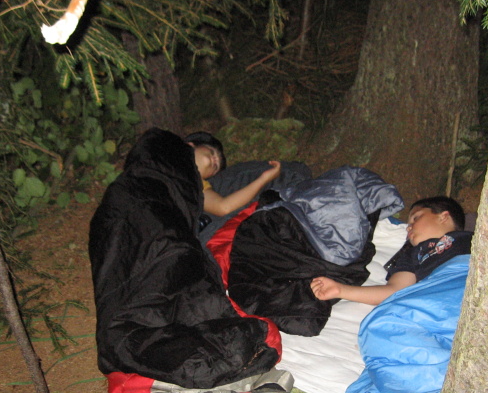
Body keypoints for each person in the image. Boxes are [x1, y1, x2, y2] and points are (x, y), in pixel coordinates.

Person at [310, 196, 472, 306]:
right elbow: (394, 291)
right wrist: (340, 290)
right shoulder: (411, 255)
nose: (408, 227)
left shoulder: (471, 239)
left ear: (443, 217)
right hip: (438, 299)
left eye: (416, 218)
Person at [184, 131, 281, 217]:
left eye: (216, 166)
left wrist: (263, 179)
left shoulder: (198, 185)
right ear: (190, 145)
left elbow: (223, 207)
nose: (216, 159)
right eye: (212, 152)